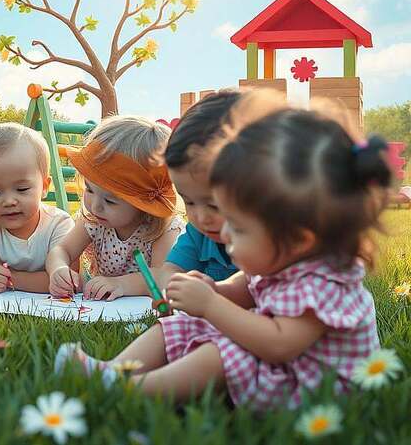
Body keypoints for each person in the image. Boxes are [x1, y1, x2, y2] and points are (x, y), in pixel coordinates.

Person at [59, 98, 388, 410]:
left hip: (312, 387)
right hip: (280, 365)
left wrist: (211, 305)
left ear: (300, 239)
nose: (224, 234)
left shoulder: (323, 284)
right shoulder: (282, 259)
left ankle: (133, 392)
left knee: (217, 353)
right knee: (179, 327)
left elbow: (279, 344)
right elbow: (242, 289)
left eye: (239, 228)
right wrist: (215, 291)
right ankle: (113, 372)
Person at [82, 91, 242, 300]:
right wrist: (170, 289)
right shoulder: (197, 234)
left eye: (214, 205)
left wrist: (212, 300)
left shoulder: (268, 241)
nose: (201, 217)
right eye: (189, 202)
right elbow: (169, 271)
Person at [47, 116, 184, 297]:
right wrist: (58, 269)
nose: (95, 206)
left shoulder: (163, 229)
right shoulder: (94, 221)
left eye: (110, 201)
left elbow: (163, 278)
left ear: (144, 203)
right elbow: (61, 250)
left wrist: (121, 285)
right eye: (89, 189)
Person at [0, 123, 73, 293]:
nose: (9, 201)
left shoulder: (59, 224)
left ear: (44, 186)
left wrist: (10, 278)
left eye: (22, 189)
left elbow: (66, 281)